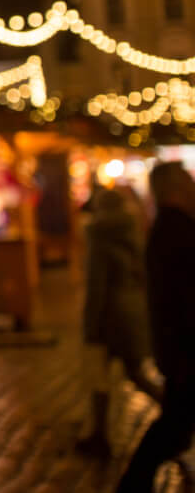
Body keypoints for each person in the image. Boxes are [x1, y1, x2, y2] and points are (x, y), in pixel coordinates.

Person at [117, 162, 195, 491]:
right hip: (184, 349)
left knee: (176, 424)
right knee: (174, 425)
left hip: (178, 347)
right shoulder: (176, 231)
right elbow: (184, 297)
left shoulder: (169, 229)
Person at [75, 188, 160, 457]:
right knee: (134, 372)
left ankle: (100, 435)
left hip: (110, 316)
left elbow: (96, 285)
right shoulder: (132, 233)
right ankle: (98, 433)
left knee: (103, 374)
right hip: (131, 312)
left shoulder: (99, 235)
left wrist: (90, 324)